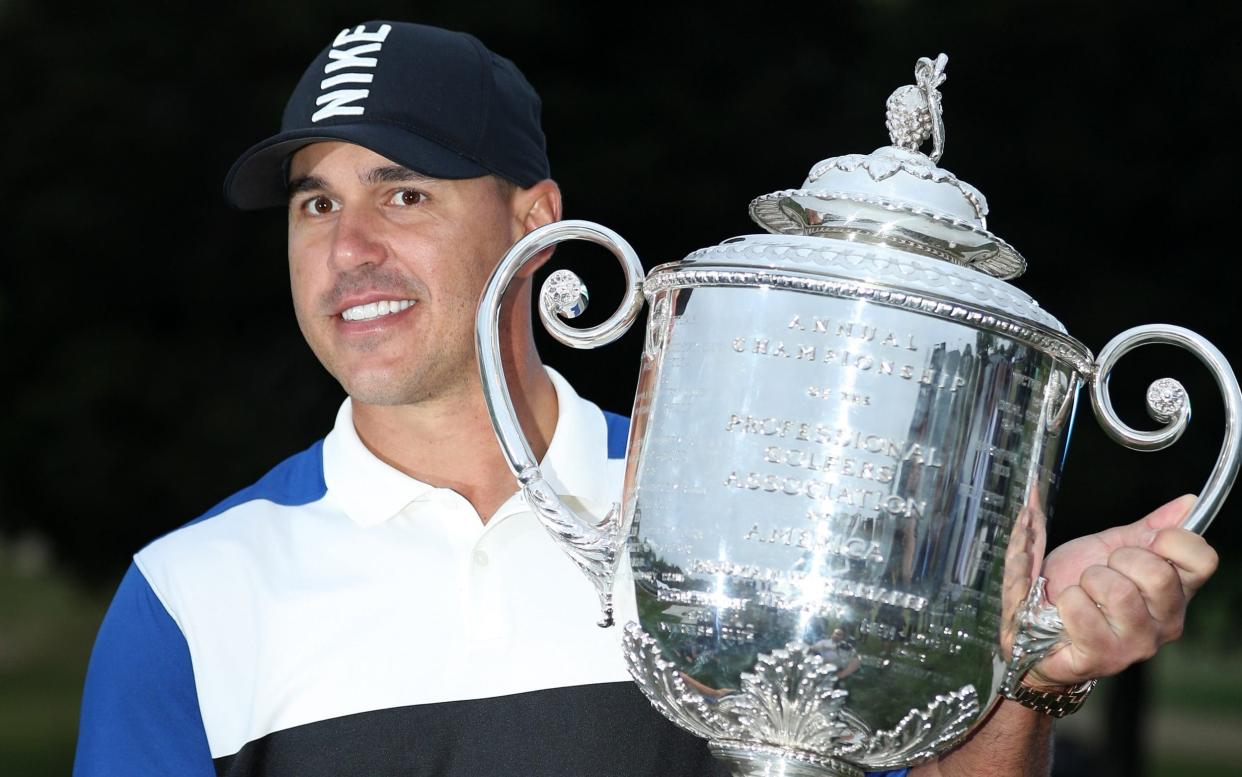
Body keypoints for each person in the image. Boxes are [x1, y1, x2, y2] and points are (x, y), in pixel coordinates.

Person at [73, 20, 1219, 777]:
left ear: (537, 221)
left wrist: (1024, 676)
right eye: (314, 206)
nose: (349, 249)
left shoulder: (740, 507)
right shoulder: (189, 599)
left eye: (405, 194)